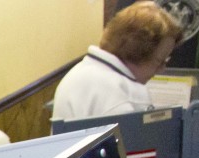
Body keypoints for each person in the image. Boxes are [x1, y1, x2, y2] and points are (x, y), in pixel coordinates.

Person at [52, 1, 183, 121]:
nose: (161, 69)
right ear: (136, 53)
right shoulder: (124, 95)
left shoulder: (81, 71)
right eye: (159, 61)